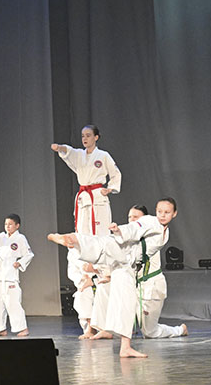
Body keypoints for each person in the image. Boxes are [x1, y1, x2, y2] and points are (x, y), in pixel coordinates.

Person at [48, 197, 179, 358]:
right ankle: (71, 239)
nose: (162, 215)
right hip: (123, 251)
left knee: (126, 301)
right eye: (159, 211)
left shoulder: (165, 231)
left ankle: (125, 347)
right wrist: (119, 231)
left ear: (174, 213)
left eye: (167, 212)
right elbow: (134, 228)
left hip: (127, 265)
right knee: (101, 244)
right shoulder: (150, 221)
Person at [127, 205, 187, 340]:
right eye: (130, 217)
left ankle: (180, 330)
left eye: (136, 217)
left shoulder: (153, 236)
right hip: (135, 287)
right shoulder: (130, 239)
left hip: (151, 287)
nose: (132, 220)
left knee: (149, 332)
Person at [51, 125, 122, 235]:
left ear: (96, 137)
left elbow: (116, 173)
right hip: (83, 197)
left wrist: (110, 188)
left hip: (97, 196)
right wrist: (59, 147)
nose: (85, 138)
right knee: (82, 232)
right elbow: (69, 151)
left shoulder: (103, 155)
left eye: (88, 136)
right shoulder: (79, 154)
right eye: (83, 136)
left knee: (101, 231)